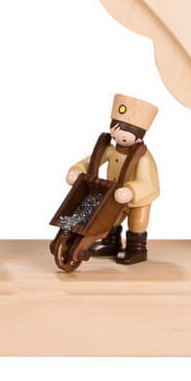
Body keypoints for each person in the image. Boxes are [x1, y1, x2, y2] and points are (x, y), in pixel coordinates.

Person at [65, 94, 160, 264]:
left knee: (137, 224)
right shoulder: (112, 150)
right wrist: (78, 171)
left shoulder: (143, 158)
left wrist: (131, 191)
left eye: (123, 138)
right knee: (110, 219)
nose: (117, 140)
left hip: (136, 201)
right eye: (115, 136)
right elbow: (91, 161)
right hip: (114, 196)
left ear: (139, 136)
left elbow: (150, 184)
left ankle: (136, 250)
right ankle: (111, 243)